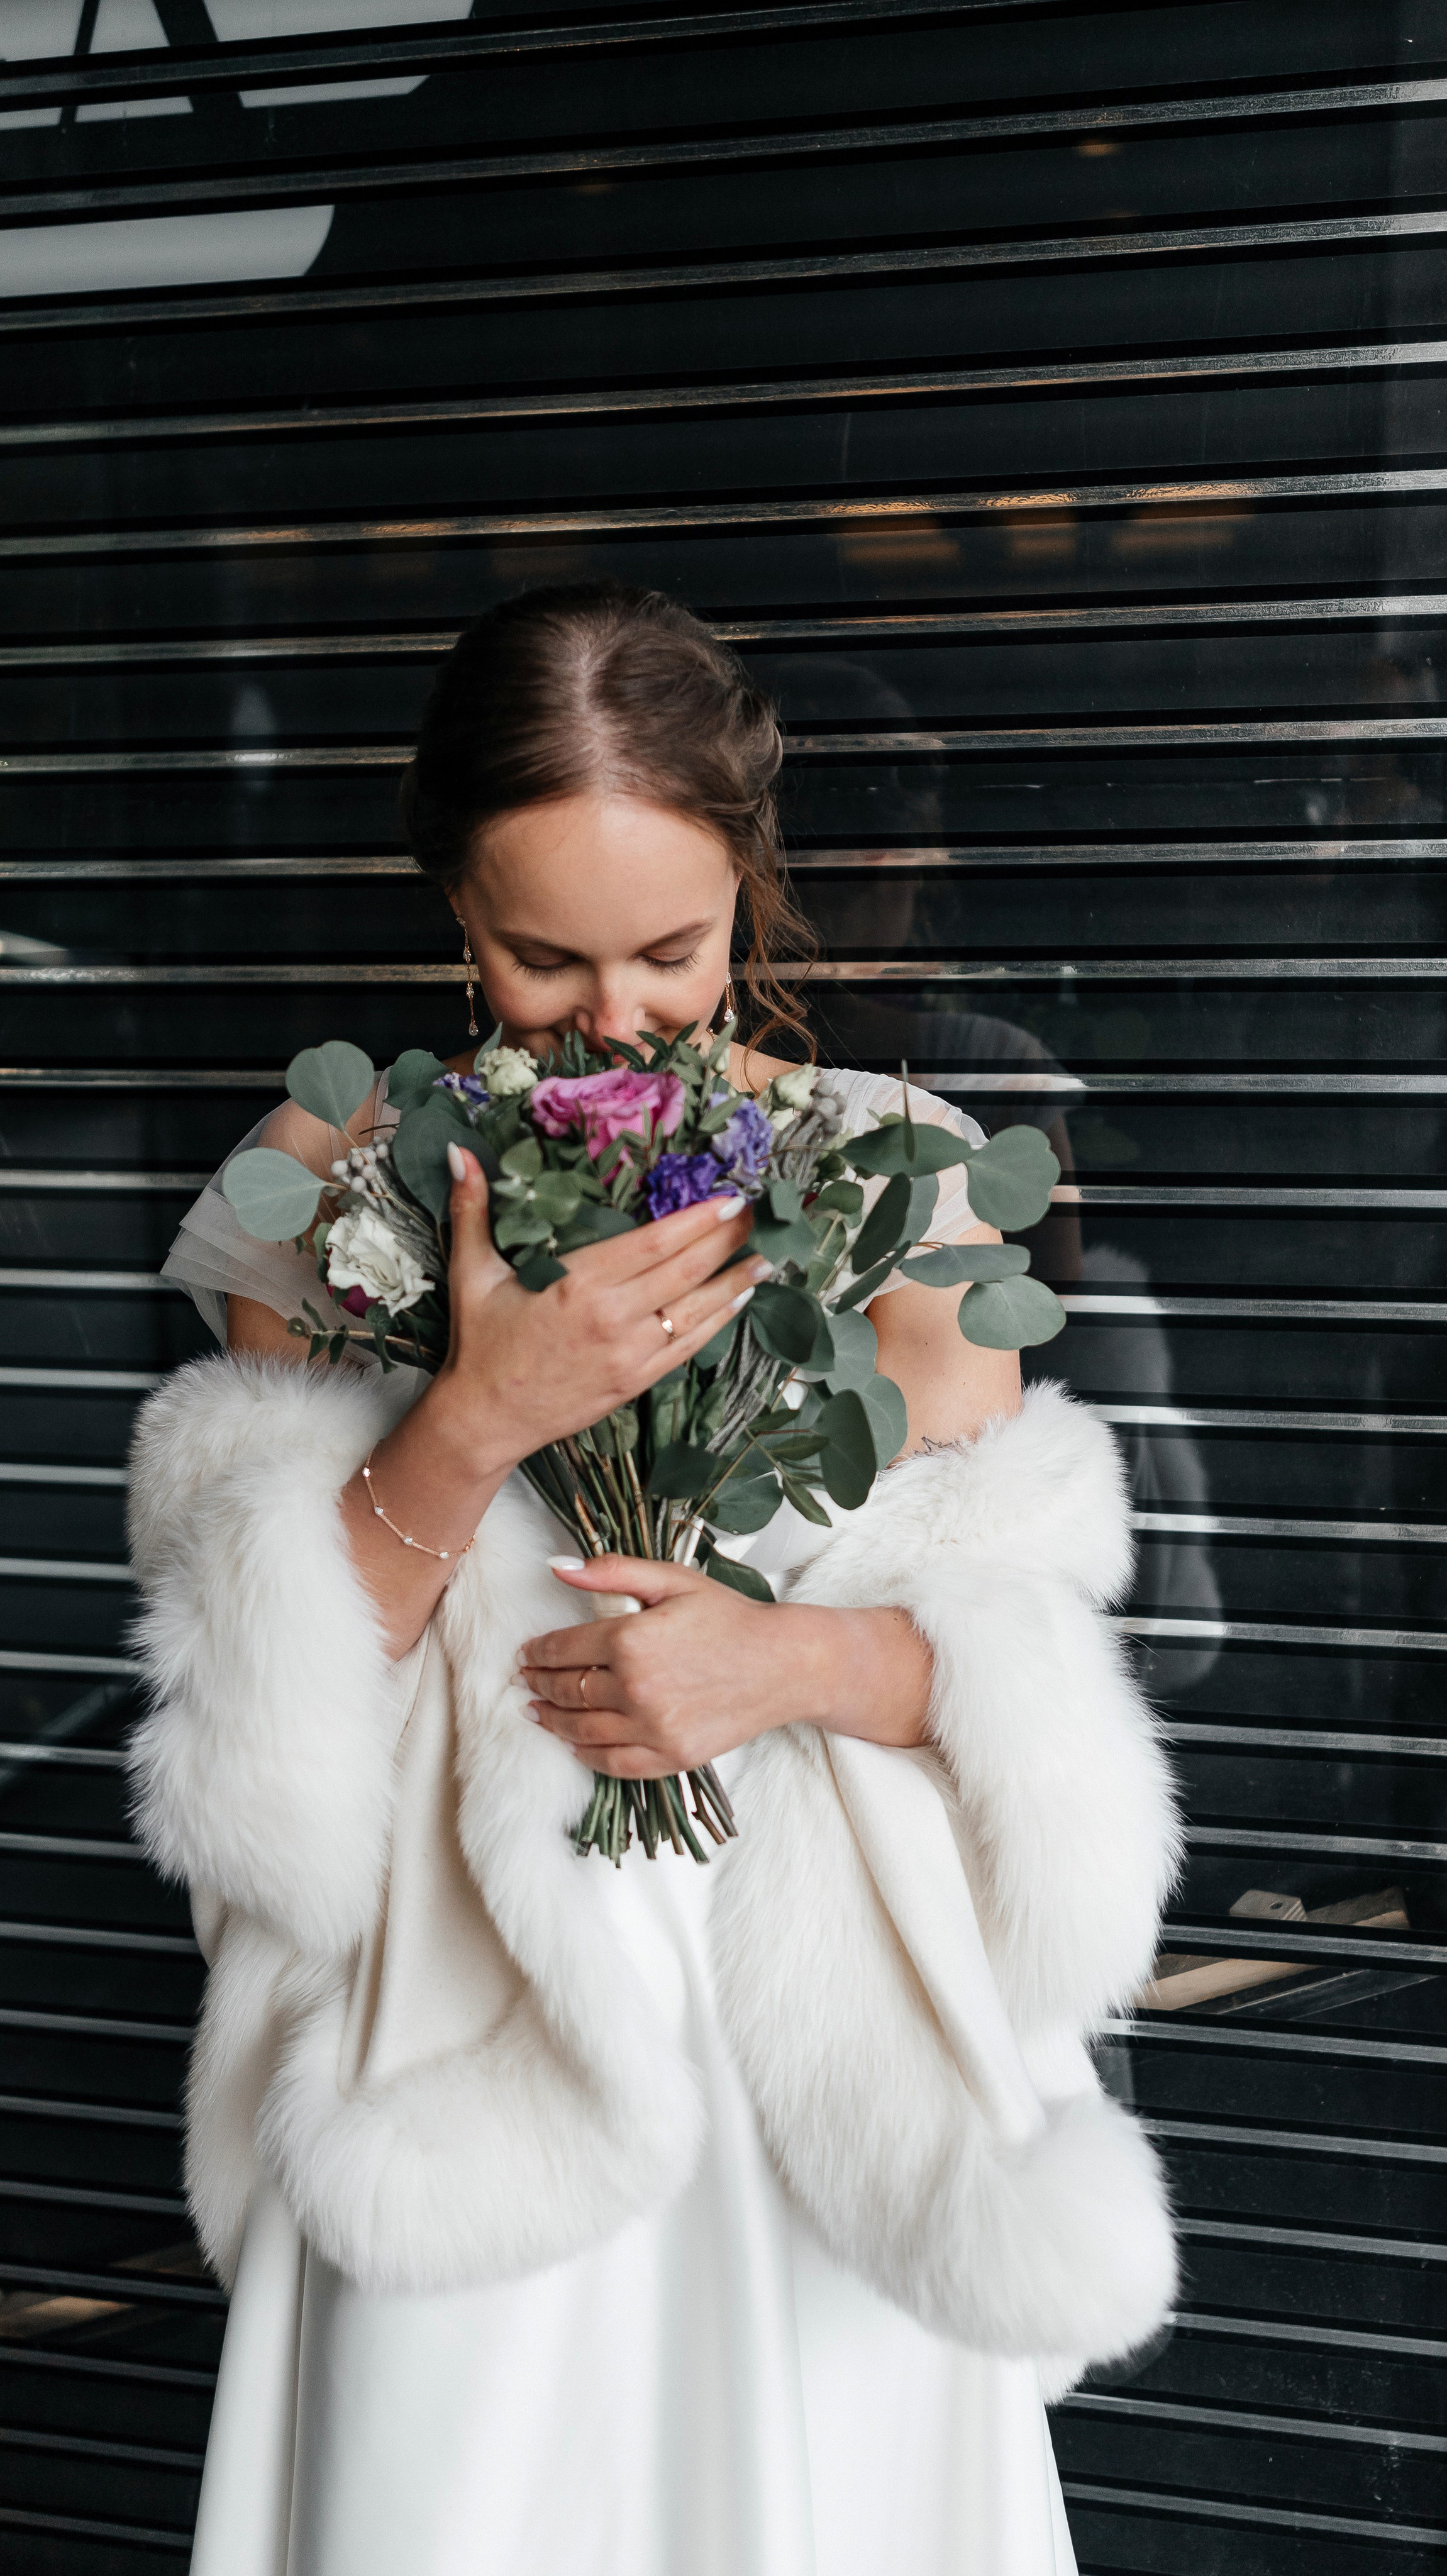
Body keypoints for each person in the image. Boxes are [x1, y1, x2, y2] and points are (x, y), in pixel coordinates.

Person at [130, 586, 1180, 2576]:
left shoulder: (910, 1188)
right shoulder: (325, 1179)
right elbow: (266, 1759)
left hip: (821, 2069)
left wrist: (789, 1666)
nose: (614, 1019)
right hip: (470, 2047)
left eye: (670, 951)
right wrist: (474, 1421)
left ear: (749, 897)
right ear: (453, 911)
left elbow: (1028, 1675)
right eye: (543, 957)